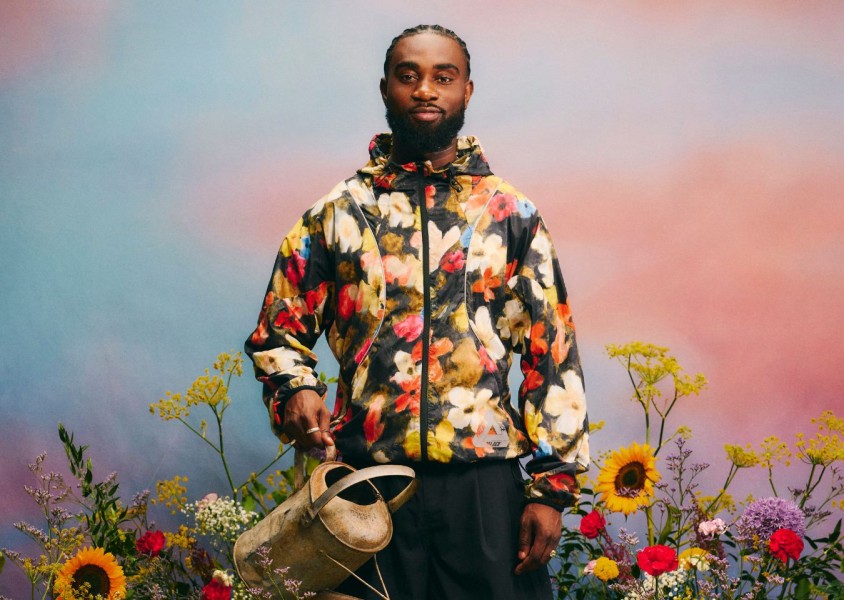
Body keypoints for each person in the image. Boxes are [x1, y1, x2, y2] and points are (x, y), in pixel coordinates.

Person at [245, 24, 590, 600]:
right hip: (365, 485)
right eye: (409, 76)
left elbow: (551, 353)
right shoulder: (338, 213)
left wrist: (551, 488)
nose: (425, 89)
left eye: (442, 77)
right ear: (386, 89)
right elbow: (278, 332)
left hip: (482, 485)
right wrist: (294, 389)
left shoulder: (511, 214)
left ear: (467, 91)